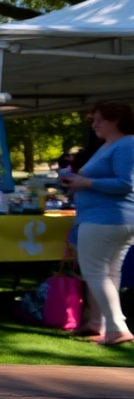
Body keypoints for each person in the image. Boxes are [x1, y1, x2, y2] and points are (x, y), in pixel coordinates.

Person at [64, 102, 134, 346]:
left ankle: (116, 327)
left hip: (106, 220)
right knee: (109, 273)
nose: (94, 125)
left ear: (116, 120)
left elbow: (127, 184)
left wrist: (85, 184)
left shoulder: (126, 144)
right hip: (109, 219)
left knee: (94, 271)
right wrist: (76, 181)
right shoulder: (109, 145)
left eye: (99, 120)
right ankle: (103, 324)